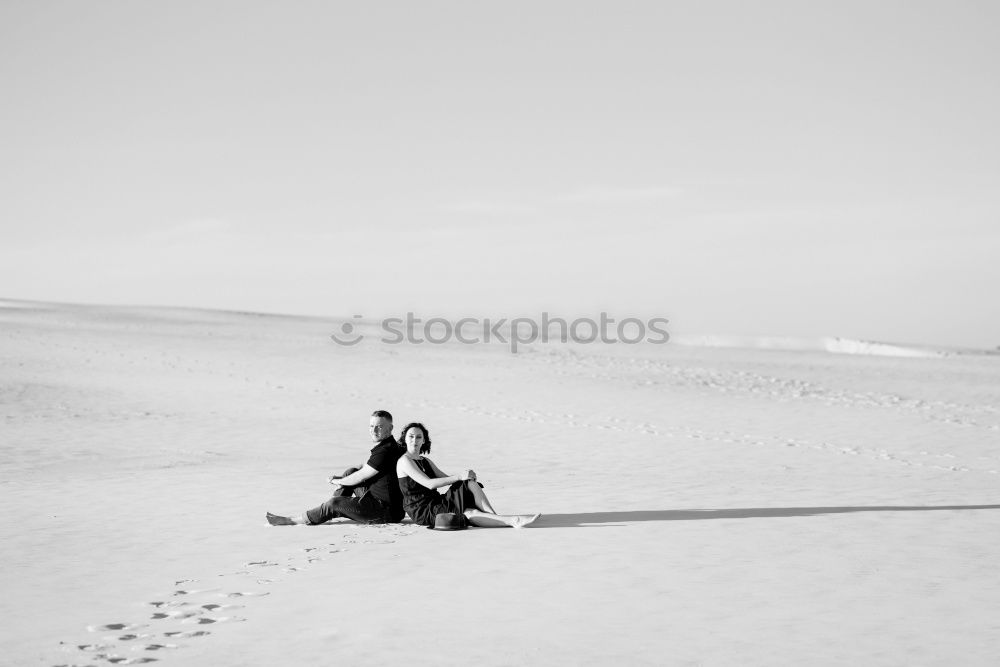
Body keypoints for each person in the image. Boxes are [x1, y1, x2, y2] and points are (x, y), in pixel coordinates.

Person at [266, 410, 405, 525]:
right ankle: (331, 510)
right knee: (350, 472)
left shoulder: (385, 451)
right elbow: (362, 470)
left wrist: (337, 481)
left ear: (390, 428)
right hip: (383, 504)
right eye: (371, 426)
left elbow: (361, 476)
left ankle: (293, 520)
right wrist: (343, 478)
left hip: (385, 513)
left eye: (379, 427)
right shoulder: (389, 446)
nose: (373, 430)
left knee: (335, 502)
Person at [395, 422, 539, 528]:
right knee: (466, 507)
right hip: (422, 510)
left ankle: (499, 518)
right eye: (411, 436)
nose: (414, 440)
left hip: (437, 502)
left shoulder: (425, 460)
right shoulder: (404, 461)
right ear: (405, 439)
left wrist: (466, 476)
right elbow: (430, 483)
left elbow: (445, 477)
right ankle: (510, 521)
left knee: (469, 490)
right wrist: (459, 476)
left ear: (424, 440)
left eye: (418, 437)